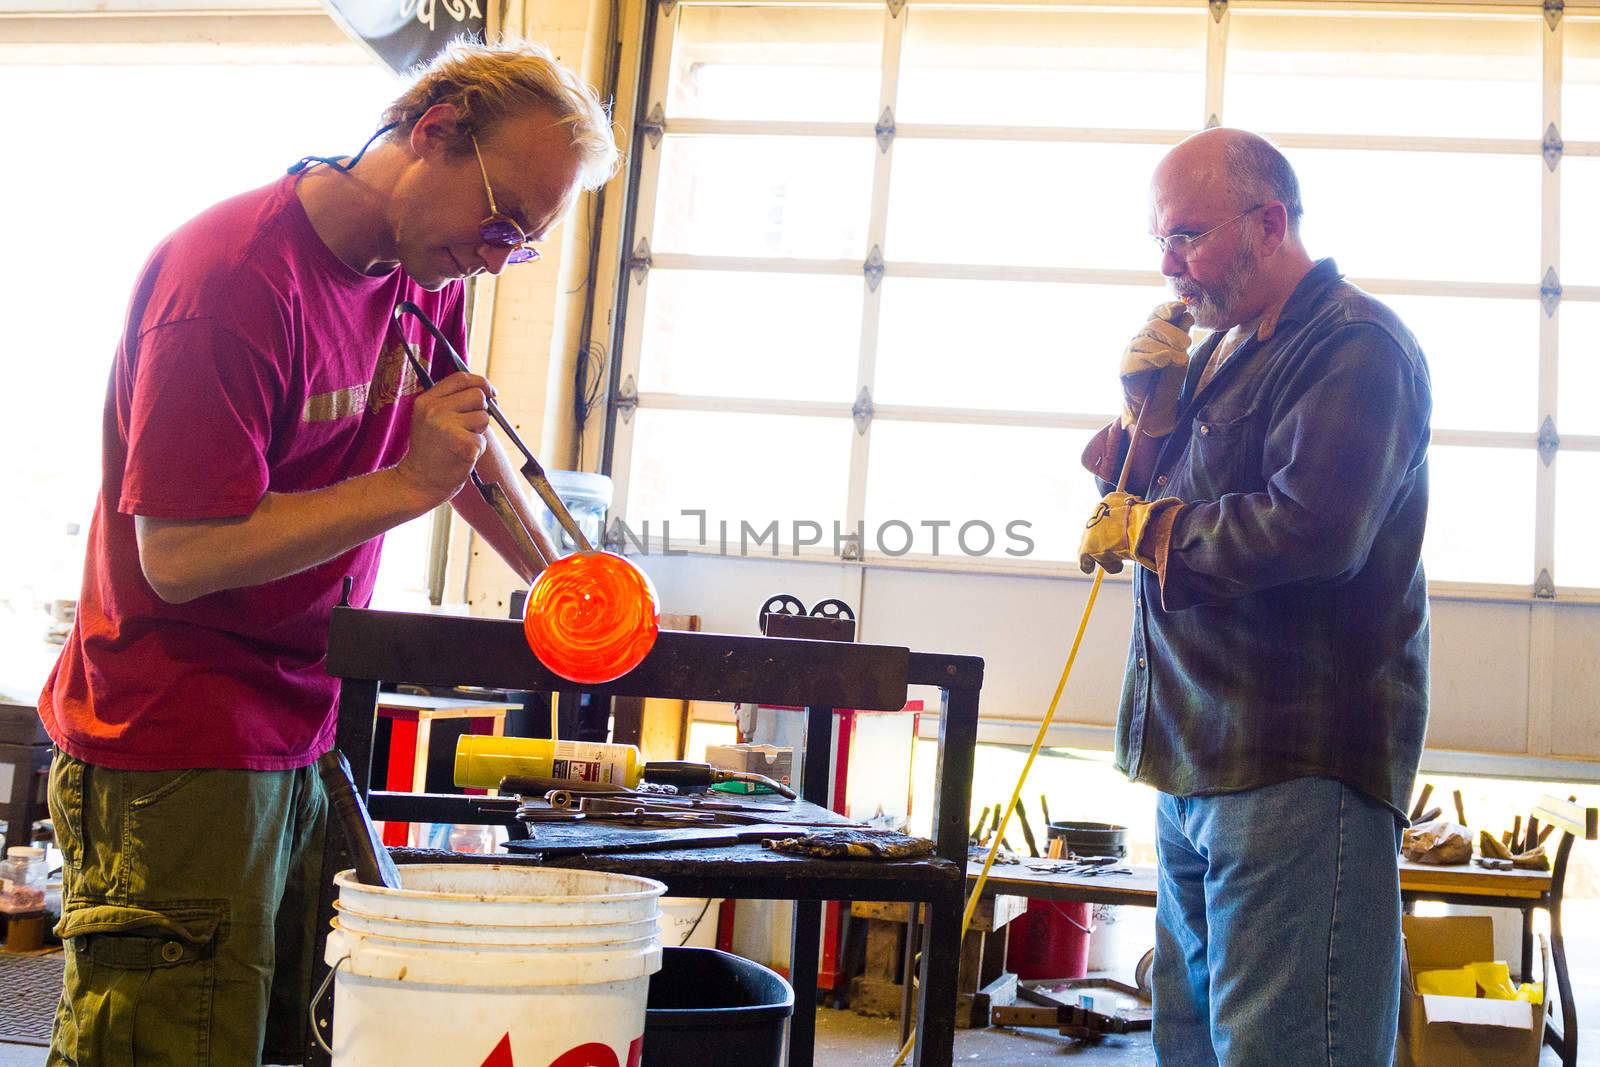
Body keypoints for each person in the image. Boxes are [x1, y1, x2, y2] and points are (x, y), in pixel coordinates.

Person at [37, 39, 619, 1064]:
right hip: (181, 737)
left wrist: (560, 578)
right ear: (432, 130)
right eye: (499, 225)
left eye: (517, 245)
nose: (493, 259)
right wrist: (404, 489)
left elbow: (452, 441)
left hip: (300, 723)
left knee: (275, 1038)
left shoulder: (420, 269)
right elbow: (177, 554)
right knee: (172, 1044)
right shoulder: (228, 285)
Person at [1076, 127, 1431, 1065]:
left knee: (1286, 1048)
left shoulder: (1355, 347)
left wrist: (1152, 531)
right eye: (1162, 239)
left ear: (1268, 224)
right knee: (1193, 1046)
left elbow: (1314, 529)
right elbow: (1141, 498)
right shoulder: (1223, 352)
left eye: (1187, 235)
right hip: (1194, 756)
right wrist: (1146, 416)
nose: (1167, 263)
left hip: (1292, 765)